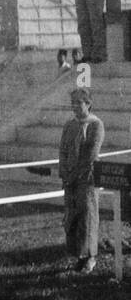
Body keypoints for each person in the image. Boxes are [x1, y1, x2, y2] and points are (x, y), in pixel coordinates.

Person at [58, 87, 103, 274]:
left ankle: (91, 257)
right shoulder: (69, 125)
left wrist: (76, 174)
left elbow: (91, 155)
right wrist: (65, 173)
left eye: (79, 103)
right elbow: (62, 150)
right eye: (73, 103)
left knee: (87, 216)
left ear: (88, 104)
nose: (75, 107)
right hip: (69, 179)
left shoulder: (96, 125)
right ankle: (79, 256)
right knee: (73, 216)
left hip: (86, 178)